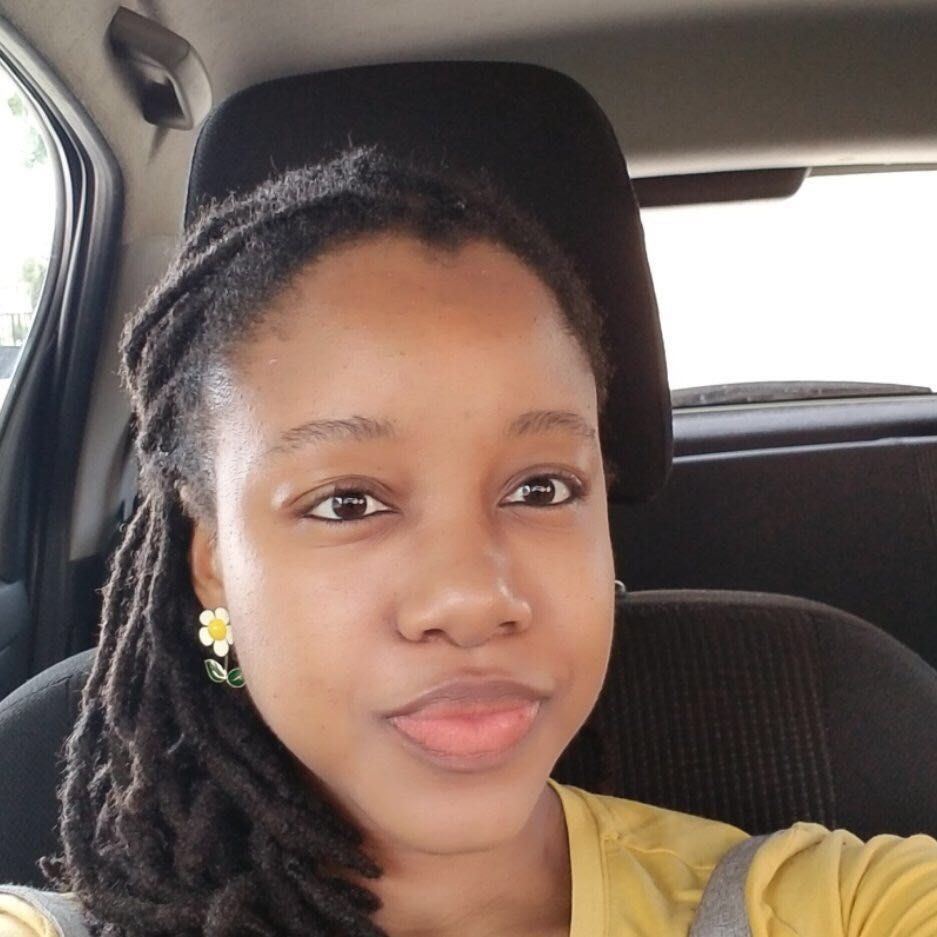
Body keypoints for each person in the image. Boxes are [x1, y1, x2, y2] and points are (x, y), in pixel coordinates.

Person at [1, 145, 936, 937]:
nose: (475, 598)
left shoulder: (836, 905)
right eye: (347, 502)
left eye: (541, 487)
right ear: (212, 565)